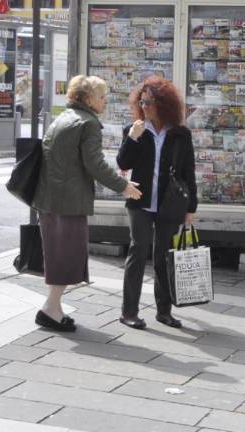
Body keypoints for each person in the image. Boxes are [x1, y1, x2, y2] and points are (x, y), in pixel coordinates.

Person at [32, 75, 142, 332]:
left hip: (50, 197)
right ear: (88, 99)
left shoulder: (64, 117)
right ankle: (50, 309)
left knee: (58, 255)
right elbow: (95, 164)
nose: (105, 101)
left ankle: (54, 308)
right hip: (68, 202)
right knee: (67, 256)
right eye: (101, 97)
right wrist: (123, 186)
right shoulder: (88, 123)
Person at [116, 76, 198, 330]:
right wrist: (132, 137)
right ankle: (129, 312)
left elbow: (188, 172)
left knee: (164, 256)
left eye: (149, 103)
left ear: (163, 104)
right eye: (141, 102)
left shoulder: (180, 134)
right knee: (138, 252)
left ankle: (164, 311)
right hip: (139, 202)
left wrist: (191, 208)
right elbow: (123, 163)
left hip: (169, 203)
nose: (144, 107)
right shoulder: (135, 129)